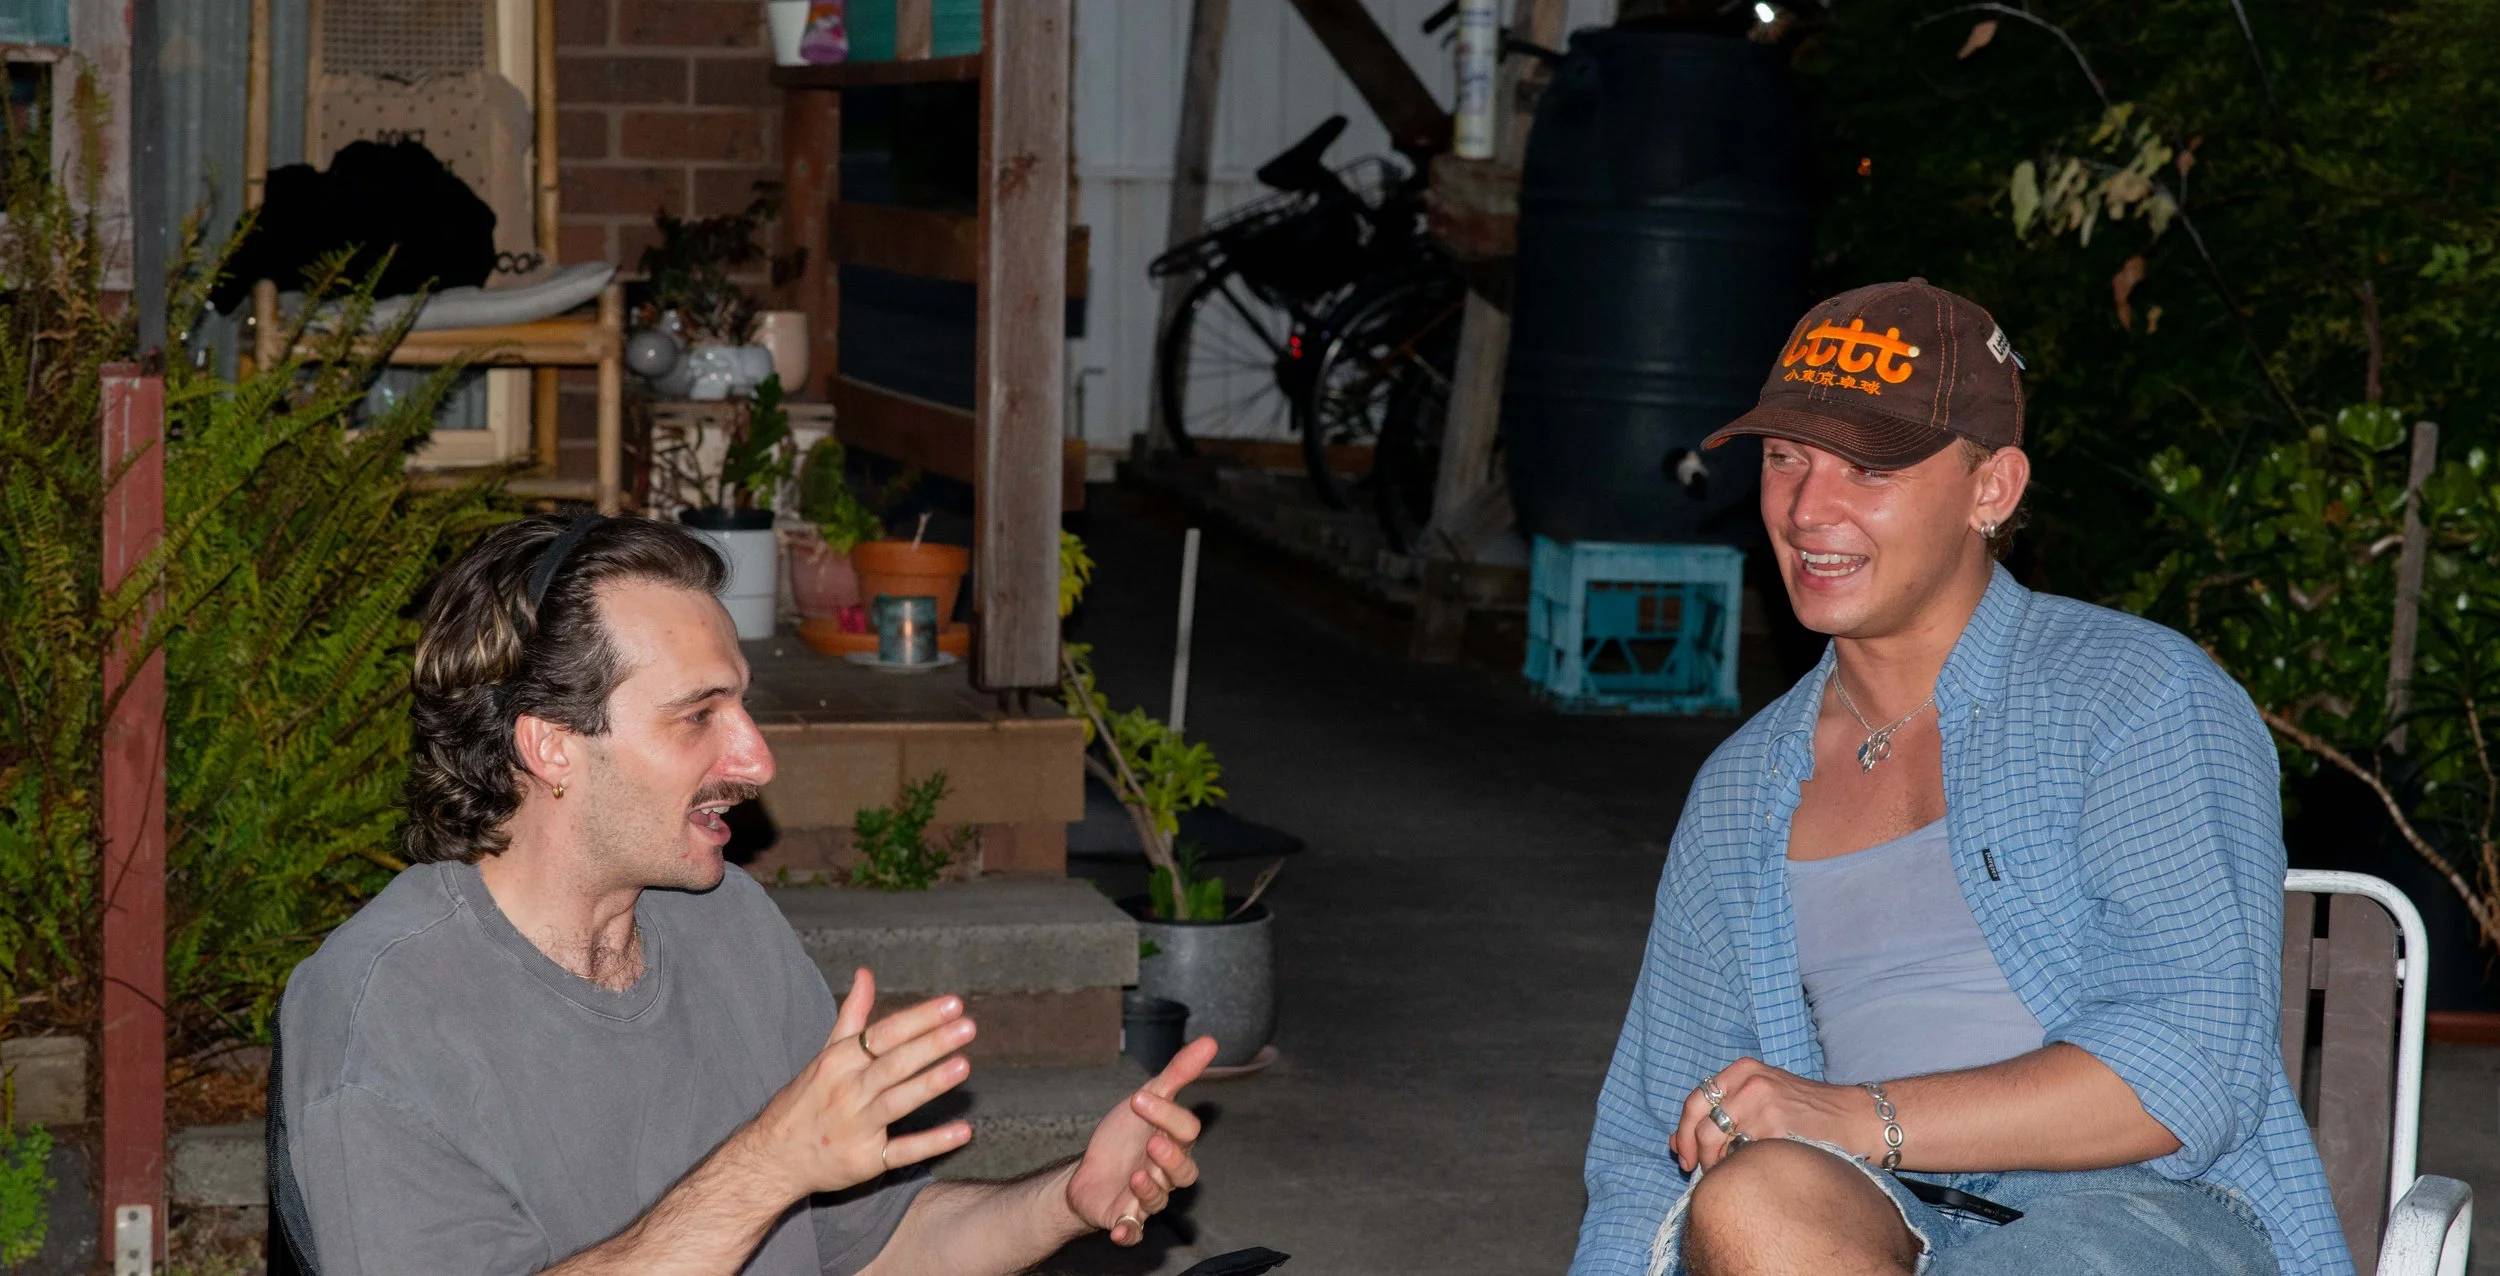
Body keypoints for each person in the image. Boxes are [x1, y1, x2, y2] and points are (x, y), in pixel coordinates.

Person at [1567, 279, 2349, 1276]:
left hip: (2138, 1208)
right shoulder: (1741, 789)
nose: (1807, 508)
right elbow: (1652, 1142)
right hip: (1872, 1208)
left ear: (1993, 489)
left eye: (1867, 466)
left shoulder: (2135, 698)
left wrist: (1857, 1116)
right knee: (1748, 1199)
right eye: (1785, 458)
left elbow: (2185, 1071)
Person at [277, 515, 1214, 1275]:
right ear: (550, 746)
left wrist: (1065, 1201)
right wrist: (770, 1163)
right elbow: (775, 1170)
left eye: (741, 705)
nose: (756, 759)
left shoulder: (723, 918)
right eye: (698, 716)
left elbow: (875, 1249)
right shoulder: (386, 1014)